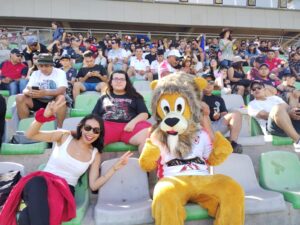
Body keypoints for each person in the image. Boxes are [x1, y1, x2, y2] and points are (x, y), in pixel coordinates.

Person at [0, 98, 132, 225]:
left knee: (27, 216)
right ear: (81, 128)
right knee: (37, 182)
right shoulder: (64, 136)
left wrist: (115, 167)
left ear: (99, 134)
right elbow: (30, 135)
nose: (91, 133)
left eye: (96, 130)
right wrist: (43, 117)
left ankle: (26, 211)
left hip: (63, 189)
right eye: (88, 128)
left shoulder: (95, 154)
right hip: (41, 182)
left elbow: (94, 185)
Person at [92, 70, 151, 152]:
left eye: (122, 79)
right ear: (111, 82)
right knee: (92, 135)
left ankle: (147, 164)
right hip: (107, 127)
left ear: (126, 82)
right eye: (116, 79)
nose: (119, 81)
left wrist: (132, 123)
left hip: (130, 127)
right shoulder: (103, 98)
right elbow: (94, 116)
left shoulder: (136, 97)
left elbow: (144, 114)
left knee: (149, 134)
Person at [16, 54, 68, 128]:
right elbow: (26, 89)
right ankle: (25, 126)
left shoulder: (60, 72)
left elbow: (62, 90)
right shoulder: (35, 73)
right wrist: (30, 92)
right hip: (38, 100)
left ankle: (60, 128)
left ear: (51, 65)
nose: (43, 69)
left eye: (46, 66)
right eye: (41, 66)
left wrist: (45, 92)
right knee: (19, 97)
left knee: (61, 98)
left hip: (53, 101)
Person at [247, 80, 300, 149]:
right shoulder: (252, 104)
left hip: (290, 122)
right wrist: (288, 113)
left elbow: (288, 107)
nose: (256, 90)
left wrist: (294, 112)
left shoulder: (274, 98)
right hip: (273, 128)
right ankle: (298, 141)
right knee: (277, 108)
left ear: (264, 89)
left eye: (259, 88)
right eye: (253, 89)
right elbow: (264, 115)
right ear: (251, 92)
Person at [202, 73, 243, 153]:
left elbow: (224, 113)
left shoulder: (219, 99)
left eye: (211, 82)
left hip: (216, 125)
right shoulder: (196, 97)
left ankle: (233, 144)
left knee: (236, 114)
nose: (208, 84)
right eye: (205, 82)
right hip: (203, 127)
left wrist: (218, 115)